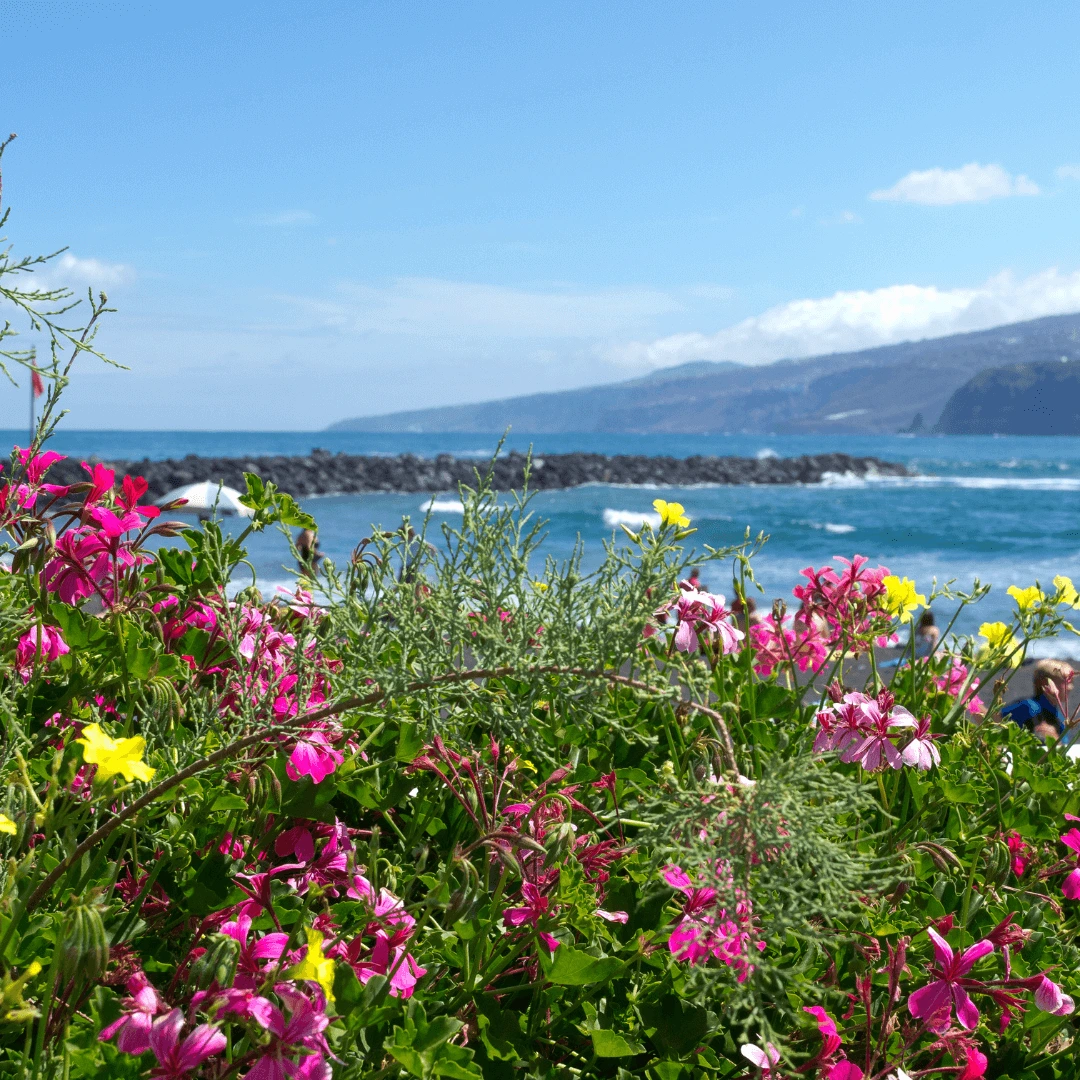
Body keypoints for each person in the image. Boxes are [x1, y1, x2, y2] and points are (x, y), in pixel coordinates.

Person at [1001, 659, 1076, 742]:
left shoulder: (1059, 716)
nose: (1070, 687)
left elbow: (1065, 746)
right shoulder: (1029, 707)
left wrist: (1054, 738)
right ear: (1045, 683)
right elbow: (995, 719)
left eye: (1071, 682)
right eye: (1065, 682)